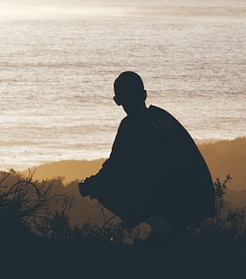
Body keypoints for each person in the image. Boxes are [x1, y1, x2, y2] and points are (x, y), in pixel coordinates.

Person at [78, 71, 215, 240]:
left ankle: (167, 230)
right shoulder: (162, 116)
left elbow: (114, 168)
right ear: (144, 94)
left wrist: (92, 184)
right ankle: (171, 227)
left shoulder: (132, 125)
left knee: (104, 188)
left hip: (177, 196)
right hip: (199, 196)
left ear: (117, 101)